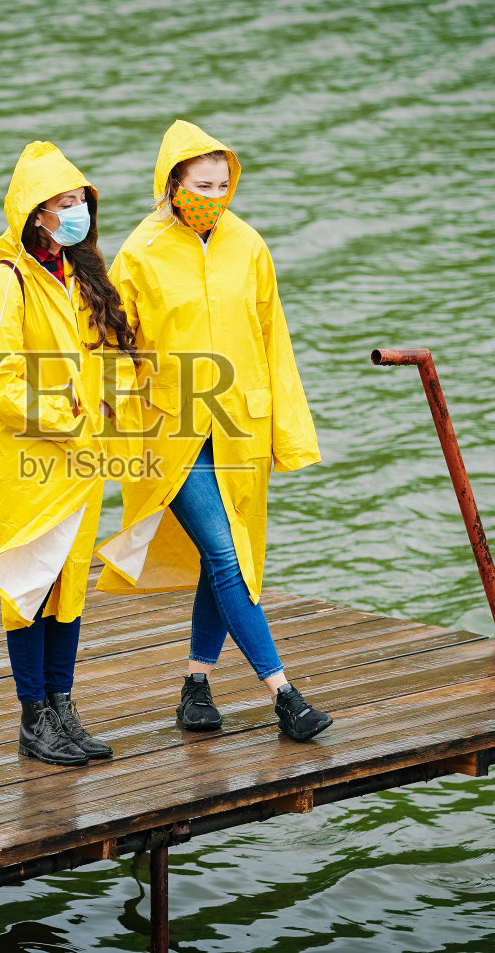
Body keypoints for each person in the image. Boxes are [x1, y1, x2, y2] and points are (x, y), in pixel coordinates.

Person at [96, 119, 332, 742]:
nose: (215, 196)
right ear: (172, 184)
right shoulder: (139, 254)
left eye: (224, 185)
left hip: (239, 431)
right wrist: (123, 425)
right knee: (230, 556)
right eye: (202, 186)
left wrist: (288, 432)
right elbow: (113, 348)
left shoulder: (248, 246)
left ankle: (196, 685)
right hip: (170, 434)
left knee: (220, 557)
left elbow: (273, 341)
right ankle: (284, 695)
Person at [0, 141, 140, 766]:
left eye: (80, 202)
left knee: (69, 586)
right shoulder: (7, 282)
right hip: (31, 461)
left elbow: (109, 355)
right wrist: (65, 417)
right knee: (29, 586)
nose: (75, 214)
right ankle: (33, 716)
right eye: (63, 204)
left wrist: (117, 400)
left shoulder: (82, 275)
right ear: (35, 213)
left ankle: (63, 709)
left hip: (85, 459)